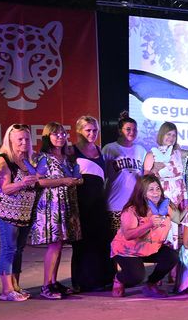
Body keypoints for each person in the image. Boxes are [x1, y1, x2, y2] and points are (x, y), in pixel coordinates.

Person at [30, 122, 83, 300]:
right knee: (54, 244)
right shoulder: (44, 158)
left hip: (67, 203)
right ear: (47, 137)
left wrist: (76, 180)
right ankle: (46, 285)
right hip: (52, 205)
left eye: (62, 134)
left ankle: (53, 281)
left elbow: (75, 177)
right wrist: (63, 181)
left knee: (59, 245)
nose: (60, 137)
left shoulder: (67, 157)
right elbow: (39, 182)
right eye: (55, 134)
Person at [0, 124, 40, 301]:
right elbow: (5, 188)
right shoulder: (4, 160)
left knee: (18, 249)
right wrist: (23, 183)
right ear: (10, 140)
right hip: (6, 212)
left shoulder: (27, 160)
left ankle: (15, 286)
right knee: (8, 248)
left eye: (26, 139)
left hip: (24, 213)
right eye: (20, 139)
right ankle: (6, 290)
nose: (24, 142)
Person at [110, 175, 180, 298]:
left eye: (158, 189)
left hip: (150, 248)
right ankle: (119, 279)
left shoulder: (165, 206)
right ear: (142, 192)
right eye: (151, 189)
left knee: (171, 256)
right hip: (128, 250)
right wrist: (149, 224)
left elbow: (179, 219)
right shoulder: (131, 210)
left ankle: (151, 284)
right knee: (136, 277)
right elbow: (128, 235)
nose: (156, 193)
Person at [71, 116, 114, 292]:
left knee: (101, 241)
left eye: (94, 130)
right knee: (82, 243)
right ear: (79, 131)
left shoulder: (99, 151)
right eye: (88, 130)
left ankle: (103, 279)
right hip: (80, 202)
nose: (92, 133)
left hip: (98, 202)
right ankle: (82, 282)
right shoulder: (71, 151)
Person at [143, 121, 188, 247]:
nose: (171, 138)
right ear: (162, 135)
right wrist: (154, 170)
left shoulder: (178, 153)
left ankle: (180, 260)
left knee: (181, 225)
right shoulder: (152, 154)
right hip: (164, 193)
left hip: (180, 192)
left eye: (174, 135)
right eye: (168, 134)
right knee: (167, 226)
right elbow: (145, 178)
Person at [103, 112, 147, 234]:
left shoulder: (141, 150)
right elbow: (102, 176)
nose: (132, 132)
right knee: (113, 242)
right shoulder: (109, 148)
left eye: (134, 129)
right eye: (128, 129)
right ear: (119, 131)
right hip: (114, 204)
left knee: (131, 245)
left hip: (134, 206)